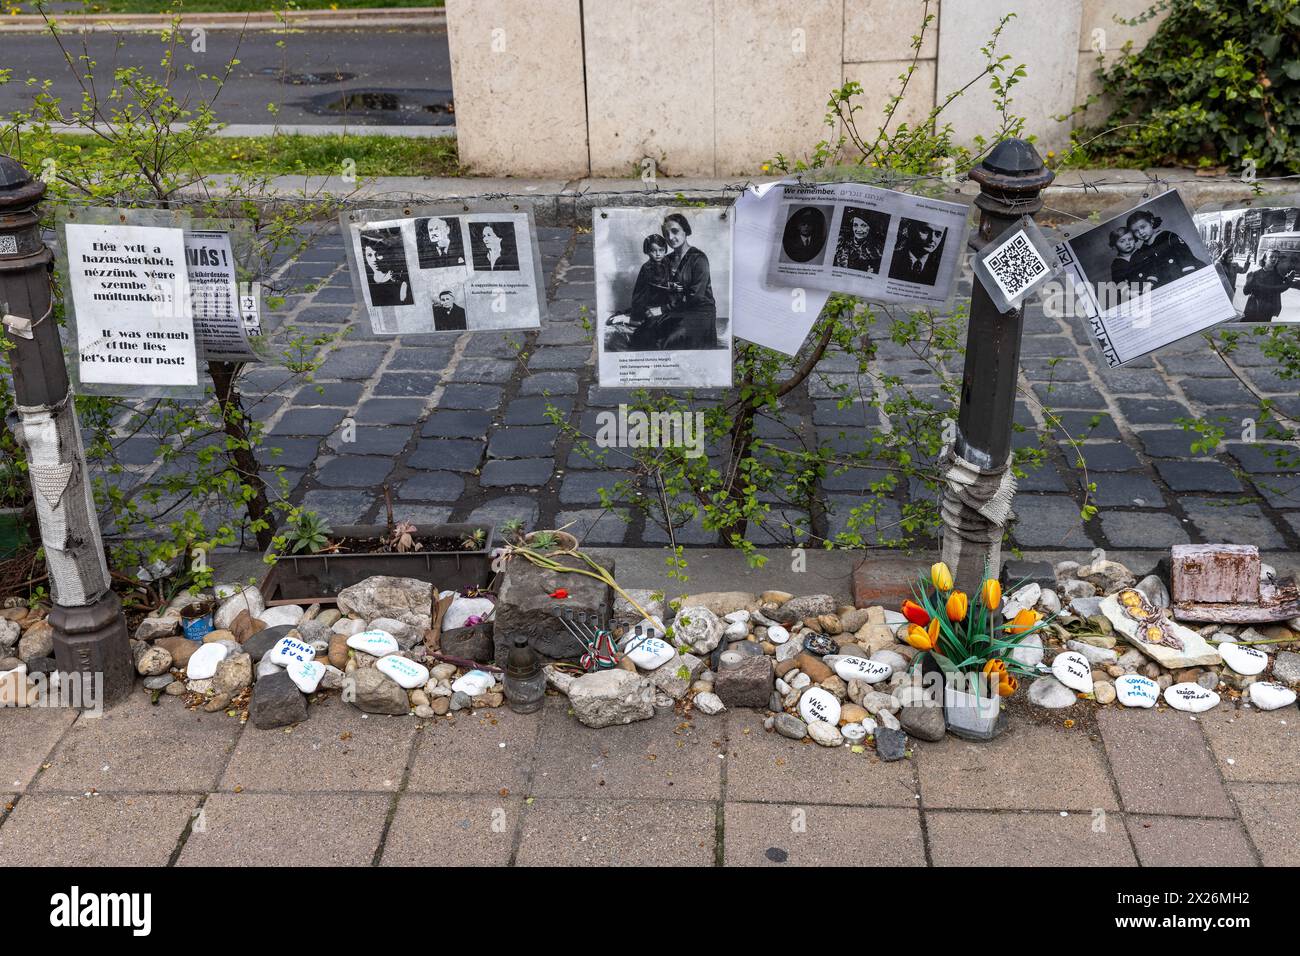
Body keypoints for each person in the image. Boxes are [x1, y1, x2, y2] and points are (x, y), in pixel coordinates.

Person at [657, 212, 718, 350]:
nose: (671, 237)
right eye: (666, 234)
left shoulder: (699, 259)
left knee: (671, 340)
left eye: (675, 231)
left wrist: (662, 309)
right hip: (676, 312)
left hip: (700, 313)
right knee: (647, 332)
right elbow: (658, 289)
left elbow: (695, 297)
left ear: (685, 230)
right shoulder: (666, 260)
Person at [1125, 210, 1205, 288]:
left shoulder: (1167, 236)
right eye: (1136, 231)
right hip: (1166, 280)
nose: (1141, 232)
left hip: (1186, 272)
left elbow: (1185, 256)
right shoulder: (1143, 250)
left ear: (1151, 222)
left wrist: (1189, 277)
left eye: (1143, 227)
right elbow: (1151, 270)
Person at [1241, 251, 1300, 322]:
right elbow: (1246, 292)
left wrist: (1289, 281)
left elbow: (1279, 289)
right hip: (1253, 309)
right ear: (1265, 259)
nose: (1274, 259)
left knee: (1262, 331)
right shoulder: (1255, 274)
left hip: (1267, 311)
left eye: (1276, 257)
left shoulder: (1278, 275)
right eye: (1271, 257)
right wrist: (1248, 283)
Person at [361, 231, 411, 307]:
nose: (374, 259)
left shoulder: (399, 280)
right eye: (369, 255)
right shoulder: (365, 278)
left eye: (378, 254)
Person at [888, 219, 945, 285]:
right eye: (925, 231)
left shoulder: (939, 271)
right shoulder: (890, 260)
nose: (932, 239)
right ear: (911, 230)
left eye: (938, 234)